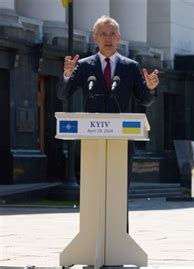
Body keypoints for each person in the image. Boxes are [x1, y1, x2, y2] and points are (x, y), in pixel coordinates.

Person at [57, 15, 160, 231]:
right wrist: (67, 75)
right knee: (93, 190)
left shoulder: (130, 67)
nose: (108, 38)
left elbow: (146, 100)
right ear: (95, 38)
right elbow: (63, 94)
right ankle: (91, 235)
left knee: (118, 190)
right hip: (92, 141)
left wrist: (150, 88)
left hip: (121, 142)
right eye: (103, 34)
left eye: (112, 34)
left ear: (119, 37)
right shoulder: (84, 66)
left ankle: (118, 237)